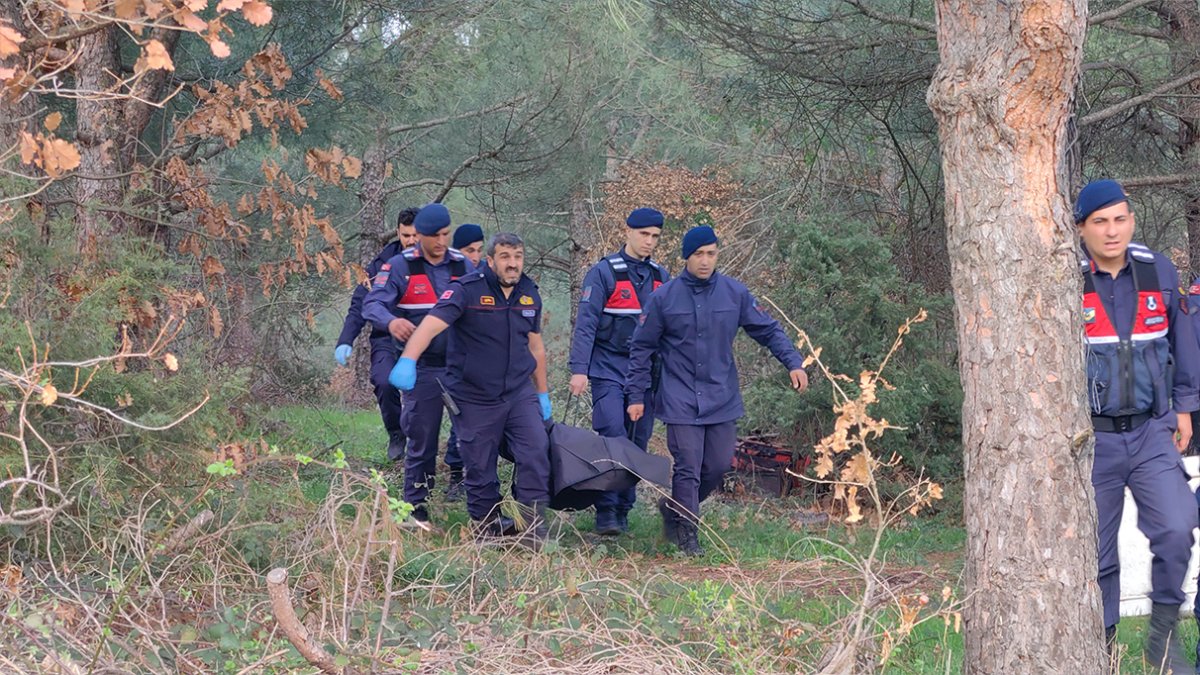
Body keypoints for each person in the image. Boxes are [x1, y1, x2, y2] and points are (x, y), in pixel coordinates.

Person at [1074, 179, 1200, 671]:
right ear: (1081, 228)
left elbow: (1182, 342)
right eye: (1100, 222)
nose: (1112, 231)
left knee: (1178, 527)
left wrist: (1185, 407)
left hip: (1152, 431)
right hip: (1093, 439)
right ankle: (1101, 651)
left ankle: (1163, 640)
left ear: (1131, 220)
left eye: (1120, 219)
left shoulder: (1157, 270)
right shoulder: (1066, 279)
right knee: (1098, 554)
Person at [625, 225, 808, 556]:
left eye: (711, 253)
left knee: (718, 466)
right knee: (688, 467)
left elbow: (767, 330)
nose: (705, 261)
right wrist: (636, 395)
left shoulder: (734, 294)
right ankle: (688, 536)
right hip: (679, 398)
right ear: (686, 257)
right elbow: (641, 349)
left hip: (721, 397)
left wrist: (793, 362)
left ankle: (675, 509)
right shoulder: (663, 298)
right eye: (698, 255)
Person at [392, 232, 554, 550]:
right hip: (473, 394)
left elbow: (536, 348)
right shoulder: (466, 289)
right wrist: (408, 360)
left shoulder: (529, 293)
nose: (513, 263)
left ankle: (530, 528)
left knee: (536, 452)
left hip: (518, 392)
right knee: (480, 464)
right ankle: (486, 528)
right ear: (491, 261)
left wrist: (543, 394)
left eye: (518, 256)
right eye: (505, 257)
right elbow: (430, 325)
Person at [362, 203, 472, 525]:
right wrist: (391, 321)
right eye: (434, 236)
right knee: (422, 438)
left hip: (462, 366)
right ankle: (416, 509)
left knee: (474, 435)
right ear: (419, 236)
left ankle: (478, 504)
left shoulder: (463, 265)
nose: (441, 241)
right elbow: (373, 303)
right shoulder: (400, 266)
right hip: (421, 366)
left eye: (445, 234)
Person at [568, 207, 669, 535]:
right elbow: (586, 325)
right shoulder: (604, 273)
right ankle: (606, 511)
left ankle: (624, 508)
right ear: (628, 232)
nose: (649, 241)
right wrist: (579, 369)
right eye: (644, 234)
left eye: (655, 236)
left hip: (644, 375)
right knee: (613, 434)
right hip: (607, 368)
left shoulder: (660, 277)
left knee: (637, 442)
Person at [333, 207, 420, 464]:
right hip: (386, 337)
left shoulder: (433, 261)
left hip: (425, 338)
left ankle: (431, 444)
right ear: (398, 233)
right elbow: (361, 302)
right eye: (406, 235)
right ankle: (396, 434)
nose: (411, 241)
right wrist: (345, 340)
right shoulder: (382, 263)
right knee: (383, 382)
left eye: (416, 235)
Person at [441, 223, 486, 501]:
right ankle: (454, 478)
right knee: (457, 418)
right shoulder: (449, 277)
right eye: (470, 250)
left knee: (469, 421)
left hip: (476, 362)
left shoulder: (485, 277)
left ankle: (474, 477)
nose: (475, 256)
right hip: (445, 361)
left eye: (480, 250)